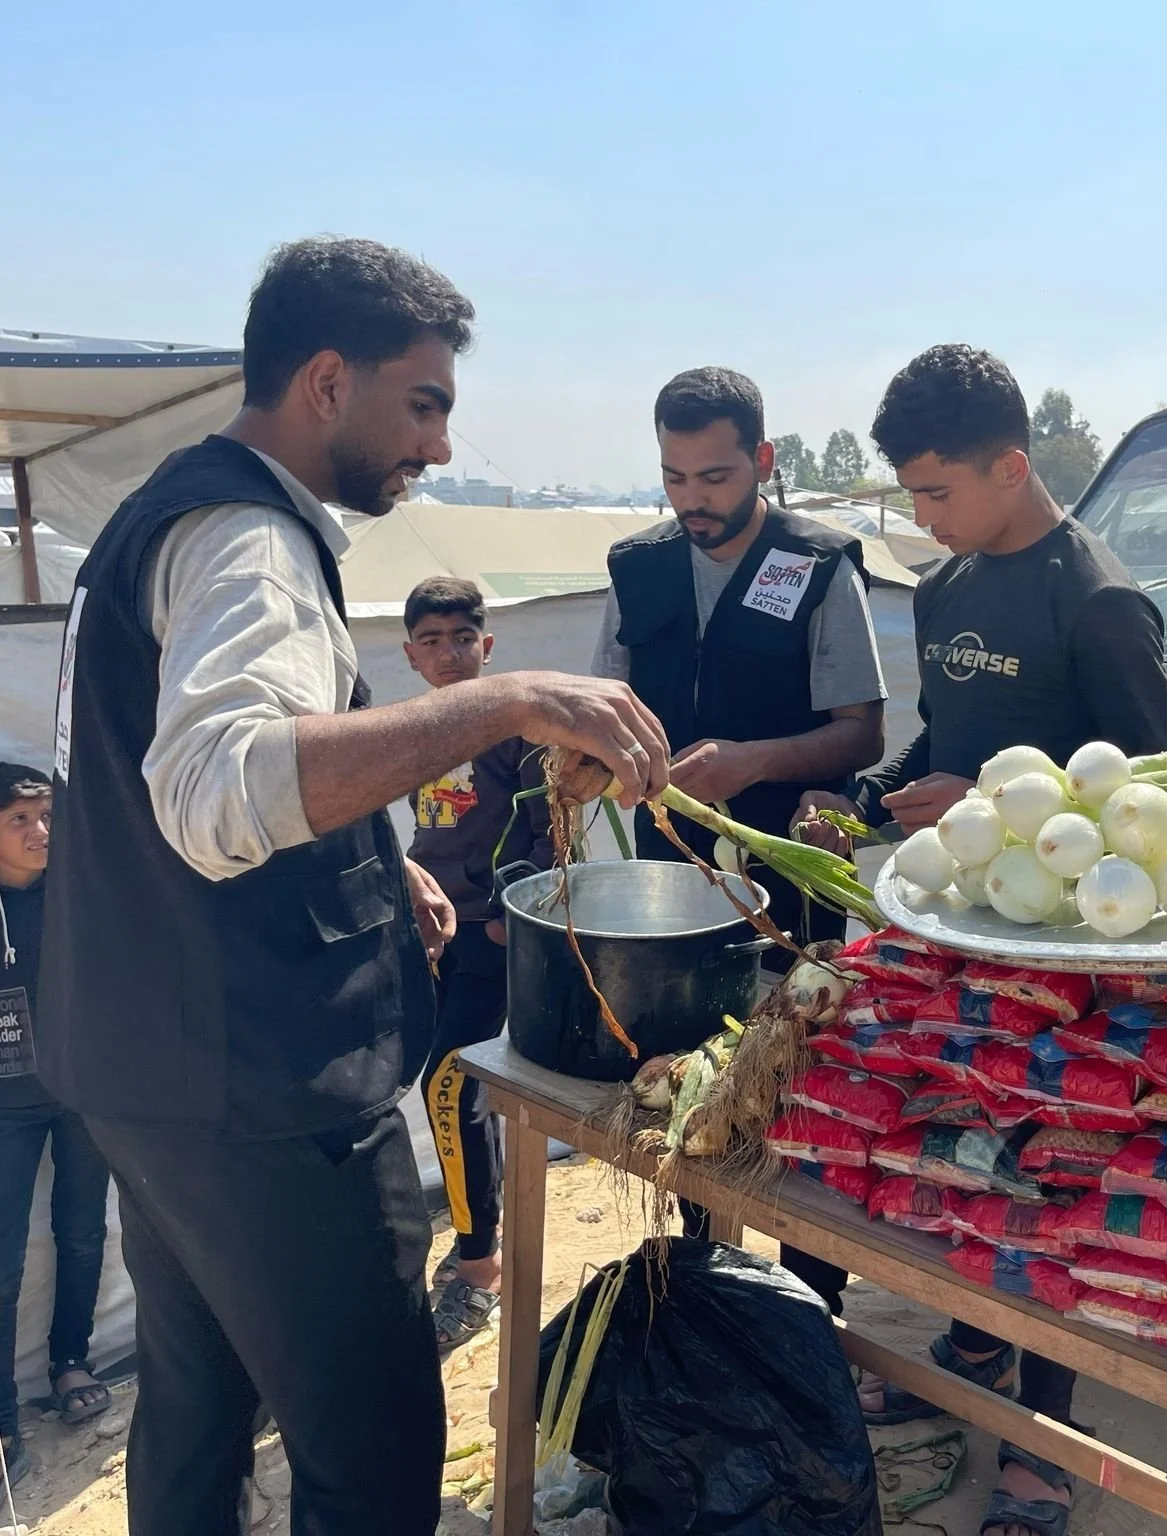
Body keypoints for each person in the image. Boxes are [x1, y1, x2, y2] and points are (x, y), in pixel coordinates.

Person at [39, 237, 669, 1536]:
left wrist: (386, 869)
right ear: (328, 381)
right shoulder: (250, 542)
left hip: (135, 1064)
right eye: (423, 402)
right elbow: (219, 789)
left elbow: (171, 778)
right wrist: (516, 694)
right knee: (373, 1455)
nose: (439, 445)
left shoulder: (166, 510)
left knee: (197, 1416)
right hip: (259, 1089)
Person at [796, 344, 1167, 1536]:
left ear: (1011, 466)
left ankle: (1042, 1448)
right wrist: (868, 805)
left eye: (936, 494)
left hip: (1068, 968)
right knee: (948, 1145)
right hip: (952, 943)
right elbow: (941, 747)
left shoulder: (1100, 600)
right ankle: (970, 1339)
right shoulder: (949, 588)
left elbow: (1163, 799)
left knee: (1050, 1183)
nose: (920, 518)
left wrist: (1009, 798)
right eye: (909, 495)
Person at [591, 365, 887, 964]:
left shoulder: (820, 566)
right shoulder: (636, 567)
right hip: (667, 869)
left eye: (715, 478)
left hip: (788, 867)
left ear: (764, 460)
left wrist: (752, 762)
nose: (692, 500)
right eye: (674, 478)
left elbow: (863, 735)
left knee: (787, 1034)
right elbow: (605, 705)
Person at [402, 575, 553, 1351]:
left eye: (462, 638)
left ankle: (479, 1266)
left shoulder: (514, 728)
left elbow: (549, 828)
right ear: (410, 655)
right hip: (436, 935)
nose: (448, 653)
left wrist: (506, 920)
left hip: (493, 936)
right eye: (431, 641)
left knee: (449, 1083)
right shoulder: (409, 729)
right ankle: (477, 1236)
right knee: (454, 1091)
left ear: (486, 647)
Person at [0, 764, 111, 1488]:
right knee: (3, 1257)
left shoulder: (79, 890)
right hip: (6, 1108)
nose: (41, 833)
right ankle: (3, 1414)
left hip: (83, 1093)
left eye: (47, 817)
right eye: (20, 820)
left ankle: (72, 1362)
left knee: (82, 1232)